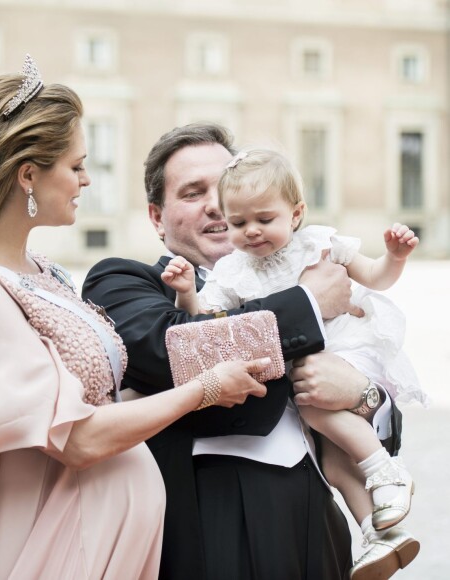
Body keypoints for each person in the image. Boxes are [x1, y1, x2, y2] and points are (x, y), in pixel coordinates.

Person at [0, 57, 272, 580]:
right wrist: (205, 387)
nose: (87, 178)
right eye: (76, 165)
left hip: (100, 547)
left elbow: (97, 398)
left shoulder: (44, 273)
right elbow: (75, 439)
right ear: (29, 175)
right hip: (48, 548)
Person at [82, 122, 408, 580]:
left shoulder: (308, 260)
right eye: (194, 192)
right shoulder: (122, 281)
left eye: (225, 187)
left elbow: (379, 430)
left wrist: (361, 395)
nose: (218, 204)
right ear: (157, 217)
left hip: (318, 525)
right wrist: (309, 302)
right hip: (210, 527)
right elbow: (174, 346)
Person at [162, 145, 426, 579]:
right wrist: (186, 291)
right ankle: (378, 534)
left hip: (345, 345)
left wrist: (395, 257)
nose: (250, 232)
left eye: (264, 220)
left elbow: (376, 277)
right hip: (299, 390)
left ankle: (385, 469)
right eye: (238, 222)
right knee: (335, 460)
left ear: (296, 212)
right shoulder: (233, 271)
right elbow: (201, 325)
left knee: (311, 403)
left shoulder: (320, 244)